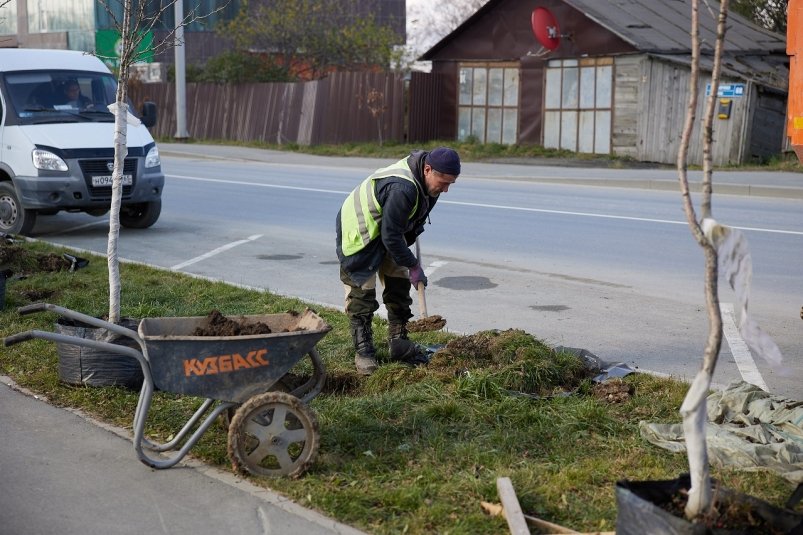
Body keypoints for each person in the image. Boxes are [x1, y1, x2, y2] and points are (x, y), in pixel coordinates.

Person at [336, 146, 461, 375]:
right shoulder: (402, 187)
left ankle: (399, 342)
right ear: (427, 169)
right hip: (360, 232)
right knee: (362, 294)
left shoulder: (429, 186)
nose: (445, 190)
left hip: (388, 229)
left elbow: (407, 223)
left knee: (399, 285)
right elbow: (391, 236)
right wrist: (413, 265)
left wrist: (408, 257)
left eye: (450, 184)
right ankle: (364, 351)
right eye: (443, 182)